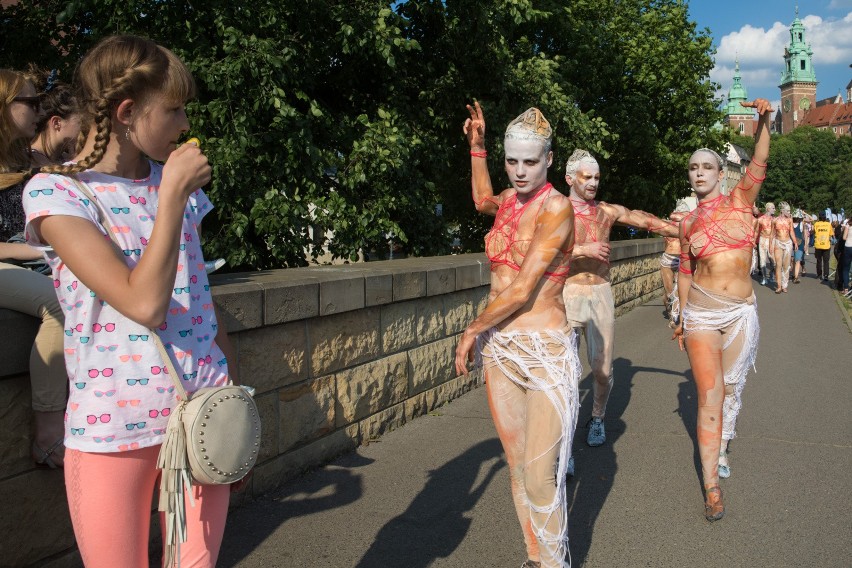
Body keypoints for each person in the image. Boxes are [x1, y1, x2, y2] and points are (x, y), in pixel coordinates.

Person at [21, 35, 238, 567]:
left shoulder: (178, 188)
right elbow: (144, 304)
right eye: (174, 108)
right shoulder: (56, 194)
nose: (186, 122)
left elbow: (200, 298)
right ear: (126, 111)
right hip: (111, 430)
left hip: (200, 417)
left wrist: (236, 396)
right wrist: (169, 198)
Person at [455, 101, 577, 568]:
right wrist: (478, 148)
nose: (520, 172)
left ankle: (555, 562)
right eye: (512, 161)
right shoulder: (508, 202)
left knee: (542, 478)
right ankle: (534, 556)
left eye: (530, 161)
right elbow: (482, 199)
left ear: (549, 160)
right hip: (502, 350)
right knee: (518, 468)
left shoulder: (557, 209)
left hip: (544, 350)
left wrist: (472, 328)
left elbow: (525, 287)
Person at [672, 98, 772, 522]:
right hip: (701, 314)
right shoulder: (686, 224)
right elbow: (684, 272)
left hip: (740, 312)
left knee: (732, 389)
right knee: (709, 395)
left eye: (706, 167)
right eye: (693, 168)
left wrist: (765, 122)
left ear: (719, 173)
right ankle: (711, 485)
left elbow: (761, 161)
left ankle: (724, 441)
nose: (698, 173)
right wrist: (679, 314)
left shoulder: (741, 202)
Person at [562, 149, 678, 449]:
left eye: (597, 177)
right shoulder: (555, 210)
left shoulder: (606, 211)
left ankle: (597, 418)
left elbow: (642, 219)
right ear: (569, 178)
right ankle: (564, 438)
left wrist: (683, 230)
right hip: (564, 292)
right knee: (563, 372)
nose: (592, 183)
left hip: (599, 291)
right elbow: (537, 253)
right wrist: (582, 251)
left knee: (603, 370)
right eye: (586, 177)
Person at [0, 68, 68, 468]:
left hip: (35, 262)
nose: (39, 108)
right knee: (58, 304)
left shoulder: (32, 160)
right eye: (30, 100)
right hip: (14, 263)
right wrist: (39, 253)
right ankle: (47, 432)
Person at [29, 72, 82, 167]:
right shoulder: (26, 162)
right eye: (80, 122)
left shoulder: (66, 158)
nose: (84, 126)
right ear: (57, 123)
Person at [660, 199, 692, 325]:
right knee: (668, 292)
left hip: (681, 258)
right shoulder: (667, 224)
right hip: (667, 258)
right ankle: (670, 311)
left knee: (678, 290)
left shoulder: (688, 225)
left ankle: (674, 318)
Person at [772, 202, 796, 293]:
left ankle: (784, 285)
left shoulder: (789, 220)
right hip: (778, 242)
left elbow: (791, 232)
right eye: (788, 210)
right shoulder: (775, 220)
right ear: (783, 210)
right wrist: (771, 245)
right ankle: (778, 286)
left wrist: (795, 242)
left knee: (786, 265)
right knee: (778, 265)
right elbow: (772, 234)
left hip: (788, 243)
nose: (789, 212)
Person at [755, 202, 775, 285]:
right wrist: (753, 241)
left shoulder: (774, 219)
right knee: (762, 260)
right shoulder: (760, 219)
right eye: (773, 208)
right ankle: (764, 278)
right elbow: (756, 231)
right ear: (768, 209)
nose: (775, 209)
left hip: (772, 240)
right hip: (762, 240)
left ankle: (771, 275)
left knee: (773, 260)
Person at [812, 212, 832, 281]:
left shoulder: (816, 224)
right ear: (825, 217)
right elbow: (831, 234)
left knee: (819, 260)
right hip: (826, 245)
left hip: (818, 245)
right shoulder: (828, 224)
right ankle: (826, 275)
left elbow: (813, 232)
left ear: (819, 217)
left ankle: (819, 274)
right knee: (826, 261)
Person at [792, 209, 806, 283]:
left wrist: (805, 245)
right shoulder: (790, 223)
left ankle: (796, 276)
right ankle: (794, 274)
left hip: (799, 244)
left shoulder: (801, 224)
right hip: (790, 244)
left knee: (797, 260)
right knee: (792, 260)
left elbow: (804, 234)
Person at [841, 217, 852, 295]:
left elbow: (844, 237)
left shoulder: (848, 226)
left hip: (848, 247)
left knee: (846, 268)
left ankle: (846, 288)